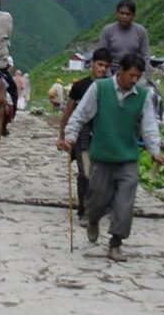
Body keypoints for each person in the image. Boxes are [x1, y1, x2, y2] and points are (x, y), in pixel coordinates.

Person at [60, 53, 164, 261]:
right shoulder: (100, 89)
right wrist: (70, 137)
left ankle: (116, 243)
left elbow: (150, 126)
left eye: (138, 76)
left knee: (125, 203)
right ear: (121, 72)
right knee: (97, 201)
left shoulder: (143, 96)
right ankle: (92, 219)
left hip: (127, 158)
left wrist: (155, 151)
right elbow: (80, 114)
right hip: (102, 157)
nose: (134, 80)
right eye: (131, 75)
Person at [57, 47, 112, 219]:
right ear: (92, 64)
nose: (102, 69)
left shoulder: (111, 87)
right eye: (99, 64)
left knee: (103, 173)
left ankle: (102, 205)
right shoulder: (79, 86)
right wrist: (62, 136)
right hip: (83, 133)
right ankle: (84, 210)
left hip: (103, 134)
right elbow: (68, 112)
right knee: (84, 173)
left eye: (106, 66)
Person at [96, 0, 150, 75]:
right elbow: (101, 55)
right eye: (121, 13)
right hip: (112, 70)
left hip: (133, 71)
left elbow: (145, 55)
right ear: (116, 13)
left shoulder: (141, 31)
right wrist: (108, 76)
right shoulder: (108, 30)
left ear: (133, 15)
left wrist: (144, 74)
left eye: (128, 14)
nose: (124, 16)